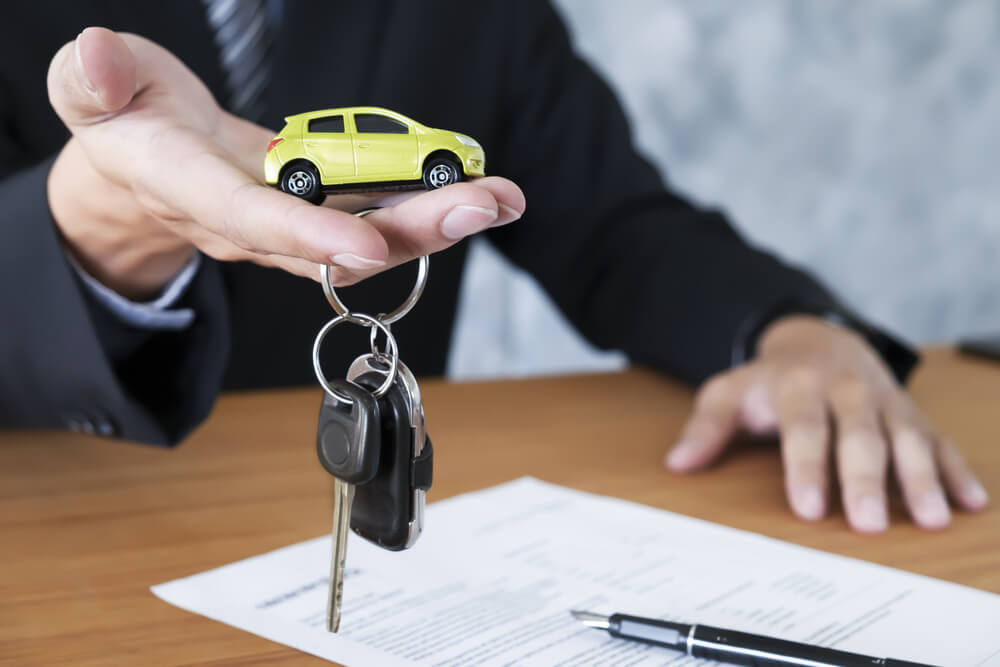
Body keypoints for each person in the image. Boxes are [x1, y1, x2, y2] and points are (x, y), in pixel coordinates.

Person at [0, 1, 987, 533]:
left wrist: (788, 326)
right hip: (67, 527)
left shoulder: (479, 14)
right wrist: (89, 226)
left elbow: (616, 227)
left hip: (364, 516)